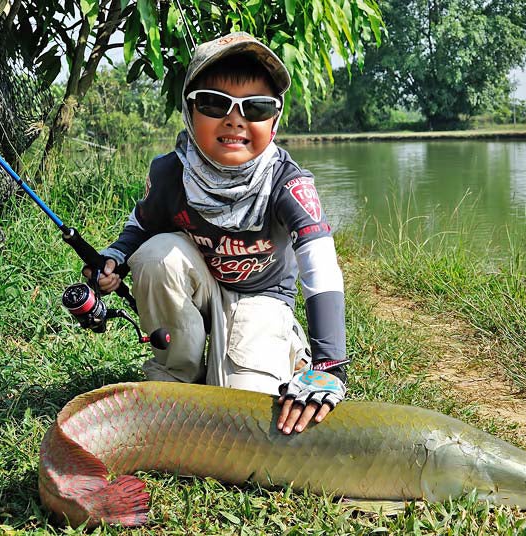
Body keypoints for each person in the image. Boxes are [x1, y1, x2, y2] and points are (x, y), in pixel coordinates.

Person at [85, 32, 347, 435]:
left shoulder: (289, 184)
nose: (235, 119)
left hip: (262, 296)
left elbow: (321, 266)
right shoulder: (171, 171)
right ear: (190, 112)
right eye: (214, 103)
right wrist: (115, 257)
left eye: (256, 107)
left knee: (244, 415)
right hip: (200, 286)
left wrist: (331, 364)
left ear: (274, 119)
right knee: (156, 255)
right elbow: (142, 226)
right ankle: (176, 369)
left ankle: (290, 349)